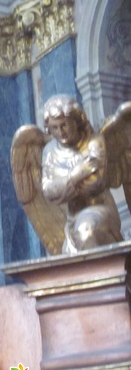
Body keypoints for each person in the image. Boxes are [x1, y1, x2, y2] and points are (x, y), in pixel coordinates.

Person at [41, 95, 123, 254]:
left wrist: (63, 188)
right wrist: (76, 175)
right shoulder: (50, 152)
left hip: (100, 209)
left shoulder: (94, 142)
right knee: (69, 257)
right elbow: (48, 192)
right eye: (55, 128)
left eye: (64, 125)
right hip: (72, 217)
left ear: (76, 121)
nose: (61, 132)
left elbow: (96, 182)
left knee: (86, 231)